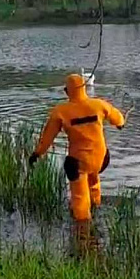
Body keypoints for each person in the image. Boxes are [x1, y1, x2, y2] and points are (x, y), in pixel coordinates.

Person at [29, 74, 126, 221]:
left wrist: (37, 154)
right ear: (84, 88)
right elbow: (118, 118)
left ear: (67, 91)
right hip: (101, 158)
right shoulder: (99, 104)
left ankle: (82, 227)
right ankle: (96, 206)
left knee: (80, 197)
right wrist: (120, 124)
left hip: (79, 162)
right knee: (94, 181)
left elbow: (47, 139)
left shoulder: (60, 112)